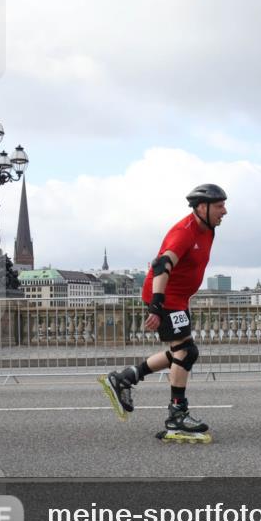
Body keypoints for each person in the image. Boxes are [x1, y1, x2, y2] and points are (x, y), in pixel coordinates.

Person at [99, 184, 228, 443]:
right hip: (165, 297)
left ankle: (125, 378)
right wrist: (156, 305)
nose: (224, 211)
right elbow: (162, 264)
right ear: (201, 208)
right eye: (219, 206)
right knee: (185, 352)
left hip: (178, 299)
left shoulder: (208, 229)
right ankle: (176, 416)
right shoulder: (184, 233)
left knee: (182, 351)